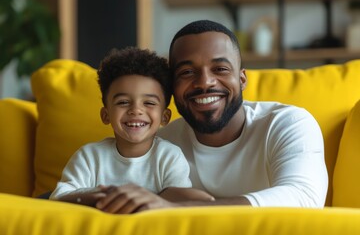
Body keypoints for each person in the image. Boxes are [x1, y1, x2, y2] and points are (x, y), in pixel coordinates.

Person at [92, 20, 328, 212]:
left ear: (242, 79)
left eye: (220, 69)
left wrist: (178, 207)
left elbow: (304, 197)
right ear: (172, 87)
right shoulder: (161, 144)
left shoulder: (288, 123)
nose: (205, 82)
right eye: (187, 72)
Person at [49, 47, 214, 213]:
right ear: (106, 115)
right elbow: (58, 198)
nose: (136, 110)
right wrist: (108, 195)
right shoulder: (89, 156)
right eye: (123, 102)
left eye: (149, 103)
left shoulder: (169, 157)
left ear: (165, 117)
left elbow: (178, 207)